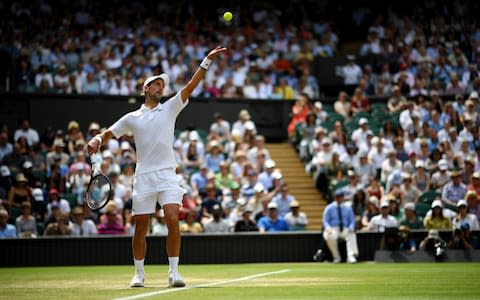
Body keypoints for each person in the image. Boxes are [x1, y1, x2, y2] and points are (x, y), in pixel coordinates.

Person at [87, 46, 226, 288]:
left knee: (172, 217)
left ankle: (173, 272)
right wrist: (97, 139)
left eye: (163, 85)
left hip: (167, 175)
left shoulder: (171, 107)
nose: (161, 87)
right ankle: (139, 274)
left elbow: (191, 85)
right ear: (146, 89)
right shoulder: (132, 117)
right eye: (157, 84)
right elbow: (109, 132)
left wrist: (206, 61)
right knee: (141, 226)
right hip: (143, 177)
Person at [322, 189, 359, 263]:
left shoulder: (348, 208)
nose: (339, 198)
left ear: (343, 197)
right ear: (335, 197)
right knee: (329, 236)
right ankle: (336, 257)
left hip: (345, 228)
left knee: (351, 234)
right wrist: (328, 228)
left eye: (341, 196)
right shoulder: (329, 208)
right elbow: (325, 220)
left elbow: (352, 220)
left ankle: (350, 256)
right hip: (333, 228)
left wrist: (351, 227)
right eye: (337, 196)